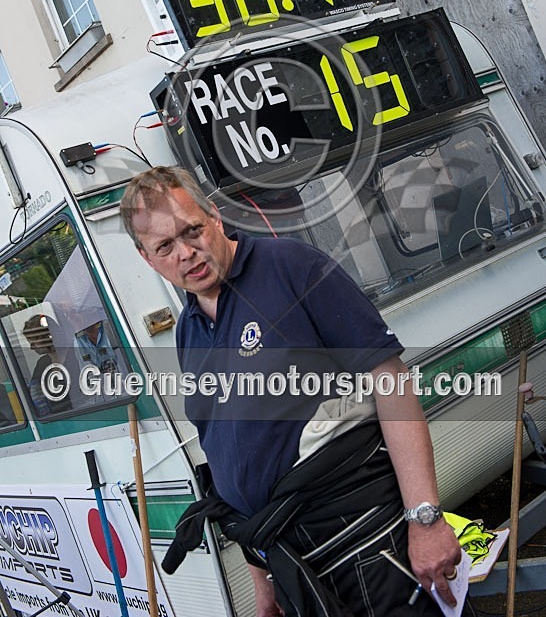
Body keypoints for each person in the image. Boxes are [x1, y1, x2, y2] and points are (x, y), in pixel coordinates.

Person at [121, 166, 462, 617]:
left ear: (216, 218)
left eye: (193, 231)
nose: (186, 252)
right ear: (147, 258)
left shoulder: (292, 268)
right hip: (291, 562)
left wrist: (425, 518)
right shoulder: (189, 330)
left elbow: (391, 381)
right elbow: (226, 454)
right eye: (165, 246)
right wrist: (264, 583)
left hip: (365, 536)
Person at [22, 314, 72, 417]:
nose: (32, 347)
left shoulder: (75, 354)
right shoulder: (43, 363)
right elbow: (35, 392)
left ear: (48, 336)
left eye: (34, 341)